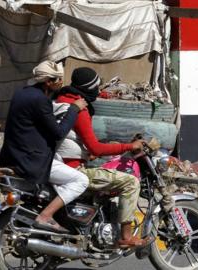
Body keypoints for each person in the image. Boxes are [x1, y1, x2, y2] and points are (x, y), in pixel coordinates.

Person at [52, 67, 151, 248]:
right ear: (88, 88)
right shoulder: (79, 109)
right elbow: (96, 147)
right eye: (96, 87)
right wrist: (129, 146)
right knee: (130, 182)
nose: (98, 91)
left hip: (60, 165)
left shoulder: (61, 100)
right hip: (73, 170)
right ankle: (125, 237)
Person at [0, 60, 88, 233]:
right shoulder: (40, 100)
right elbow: (59, 132)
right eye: (58, 80)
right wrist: (74, 109)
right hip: (32, 162)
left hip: (12, 156)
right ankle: (46, 216)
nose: (61, 83)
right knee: (81, 180)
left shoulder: (21, 94)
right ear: (48, 82)